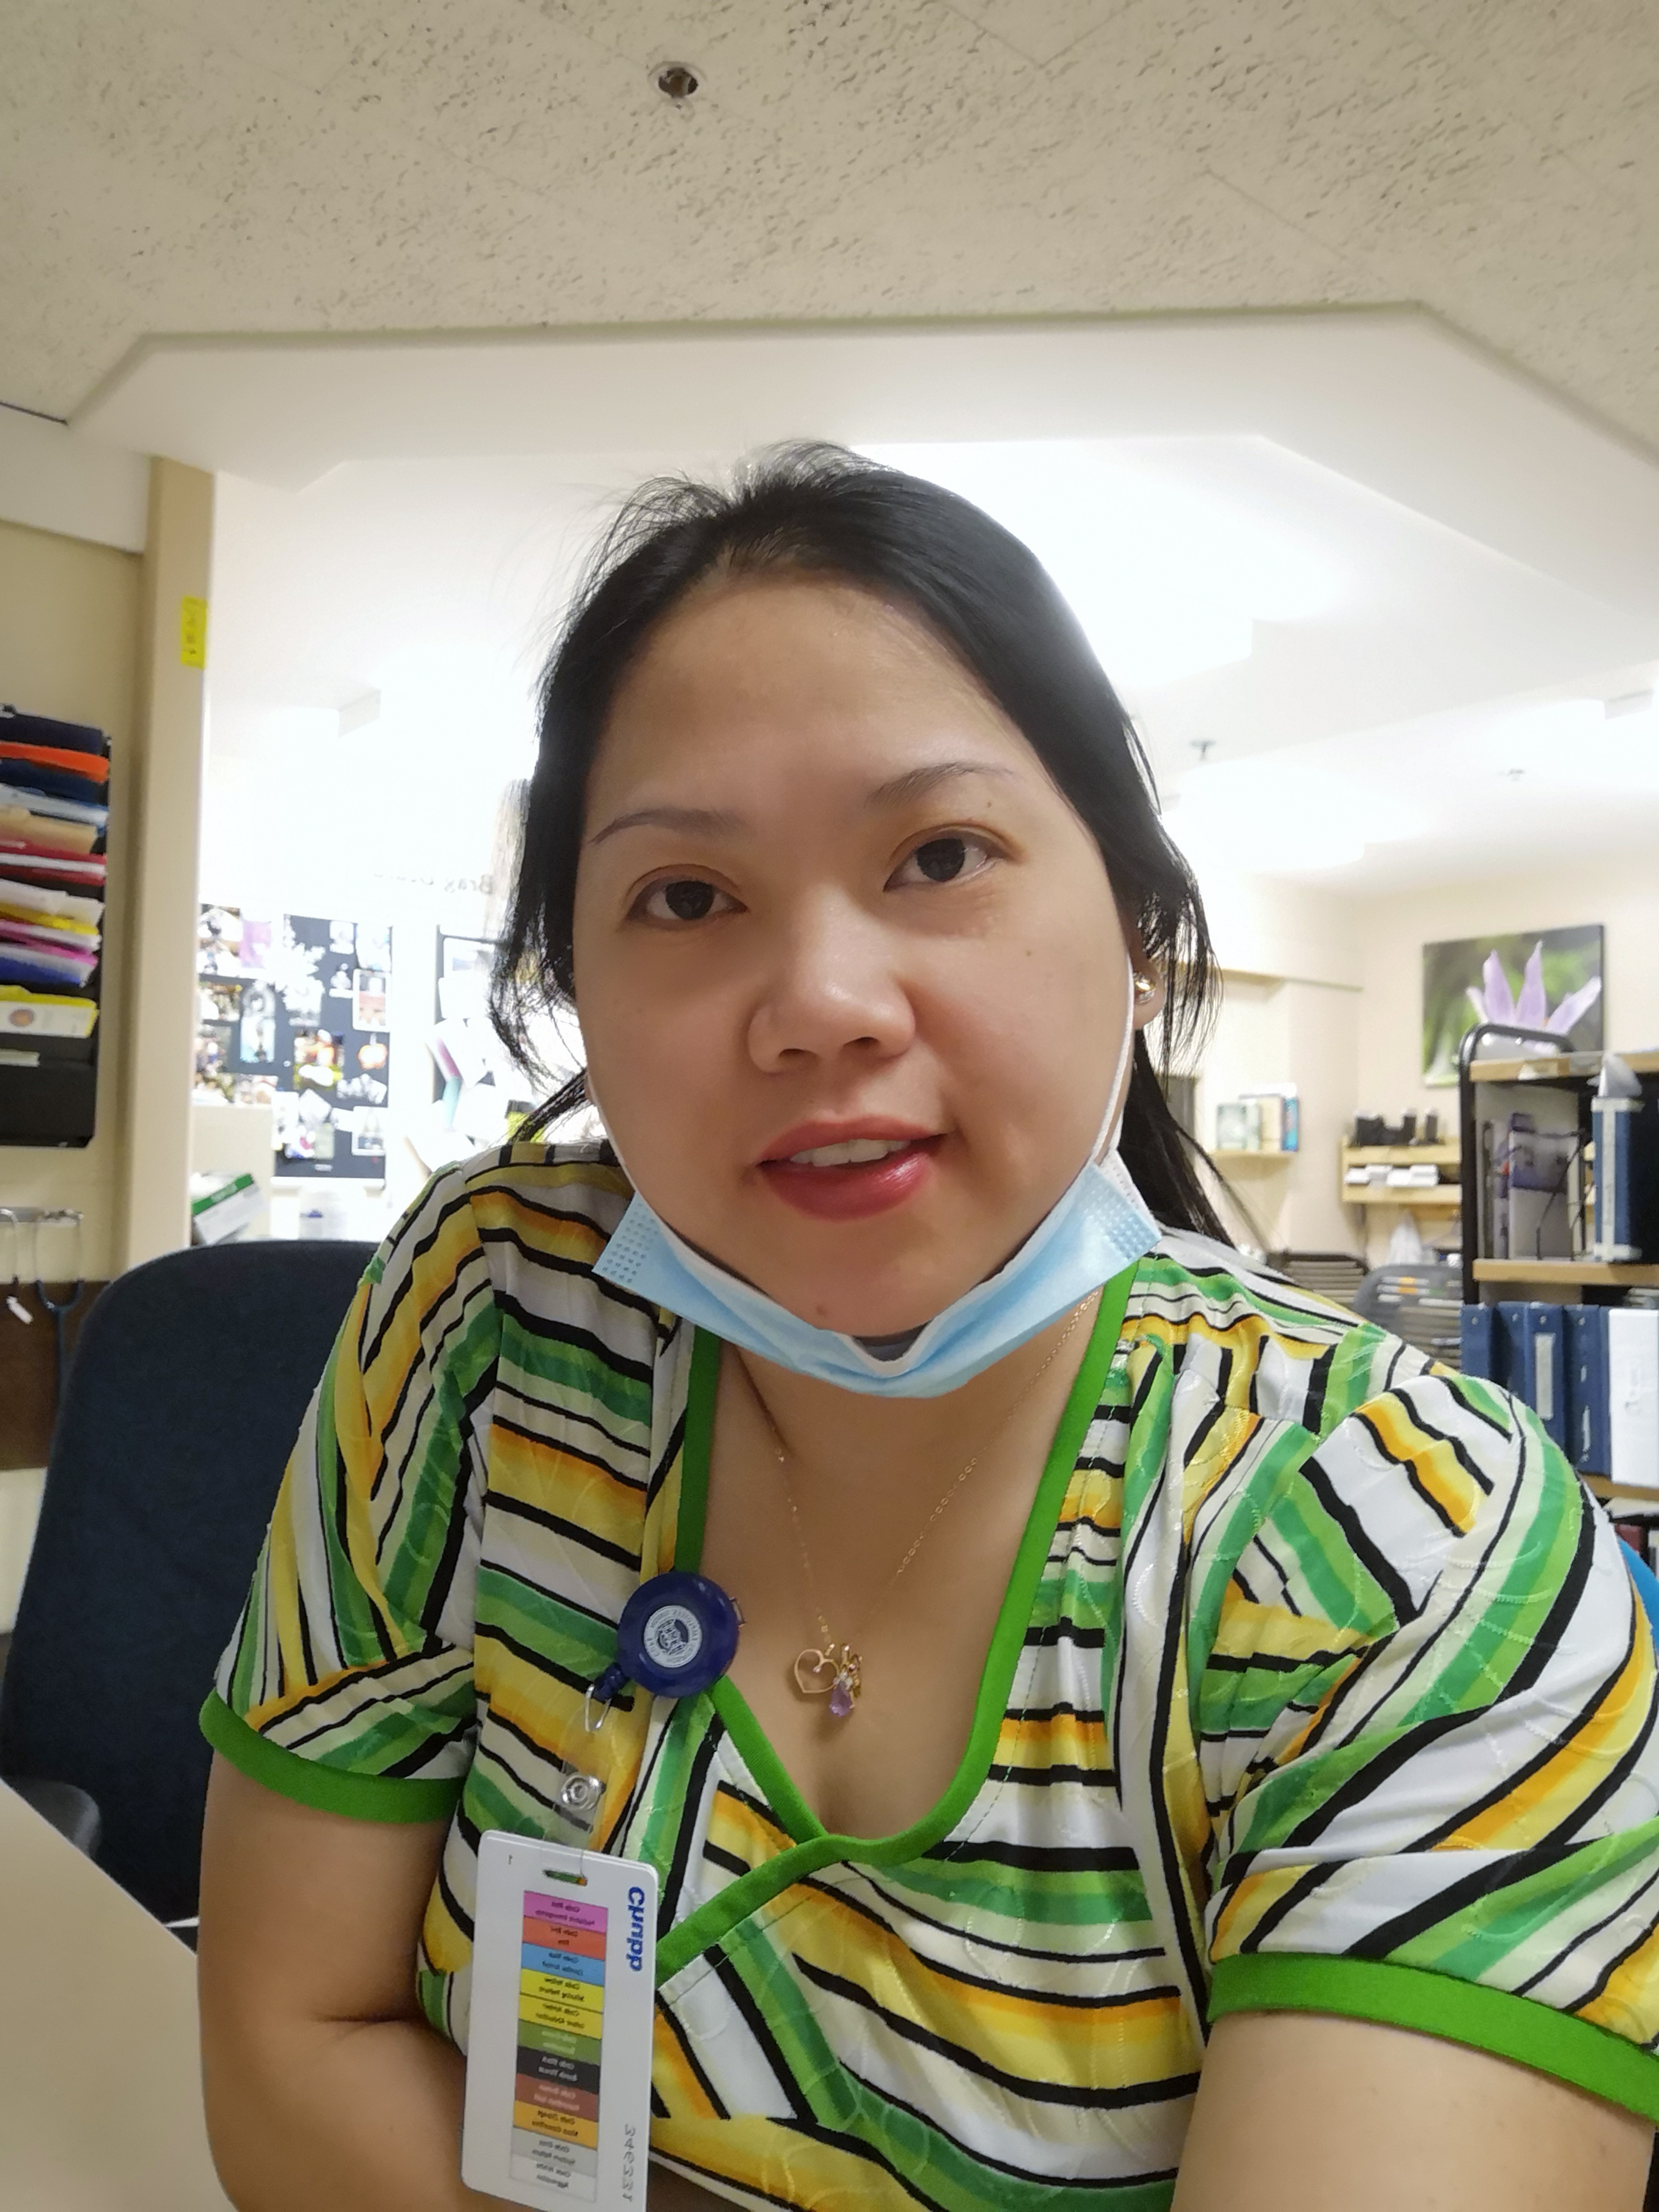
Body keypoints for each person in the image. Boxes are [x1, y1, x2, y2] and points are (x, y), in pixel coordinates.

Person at [197, 446, 1659, 2212]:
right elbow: (290, 2046)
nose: (819, 1003)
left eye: (939, 853)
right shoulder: (494, 1319)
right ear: (571, 981)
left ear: (1133, 926)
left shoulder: (1413, 1541)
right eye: (685, 896)